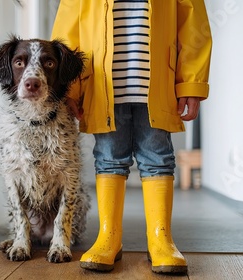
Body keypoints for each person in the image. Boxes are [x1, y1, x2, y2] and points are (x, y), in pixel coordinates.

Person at [51, 0, 212, 274]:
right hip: (103, 88)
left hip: (158, 85)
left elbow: (193, 25)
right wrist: (70, 89)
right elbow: (69, 33)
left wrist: (191, 83)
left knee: (159, 159)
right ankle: (108, 237)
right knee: (109, 159)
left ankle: (161, 240)